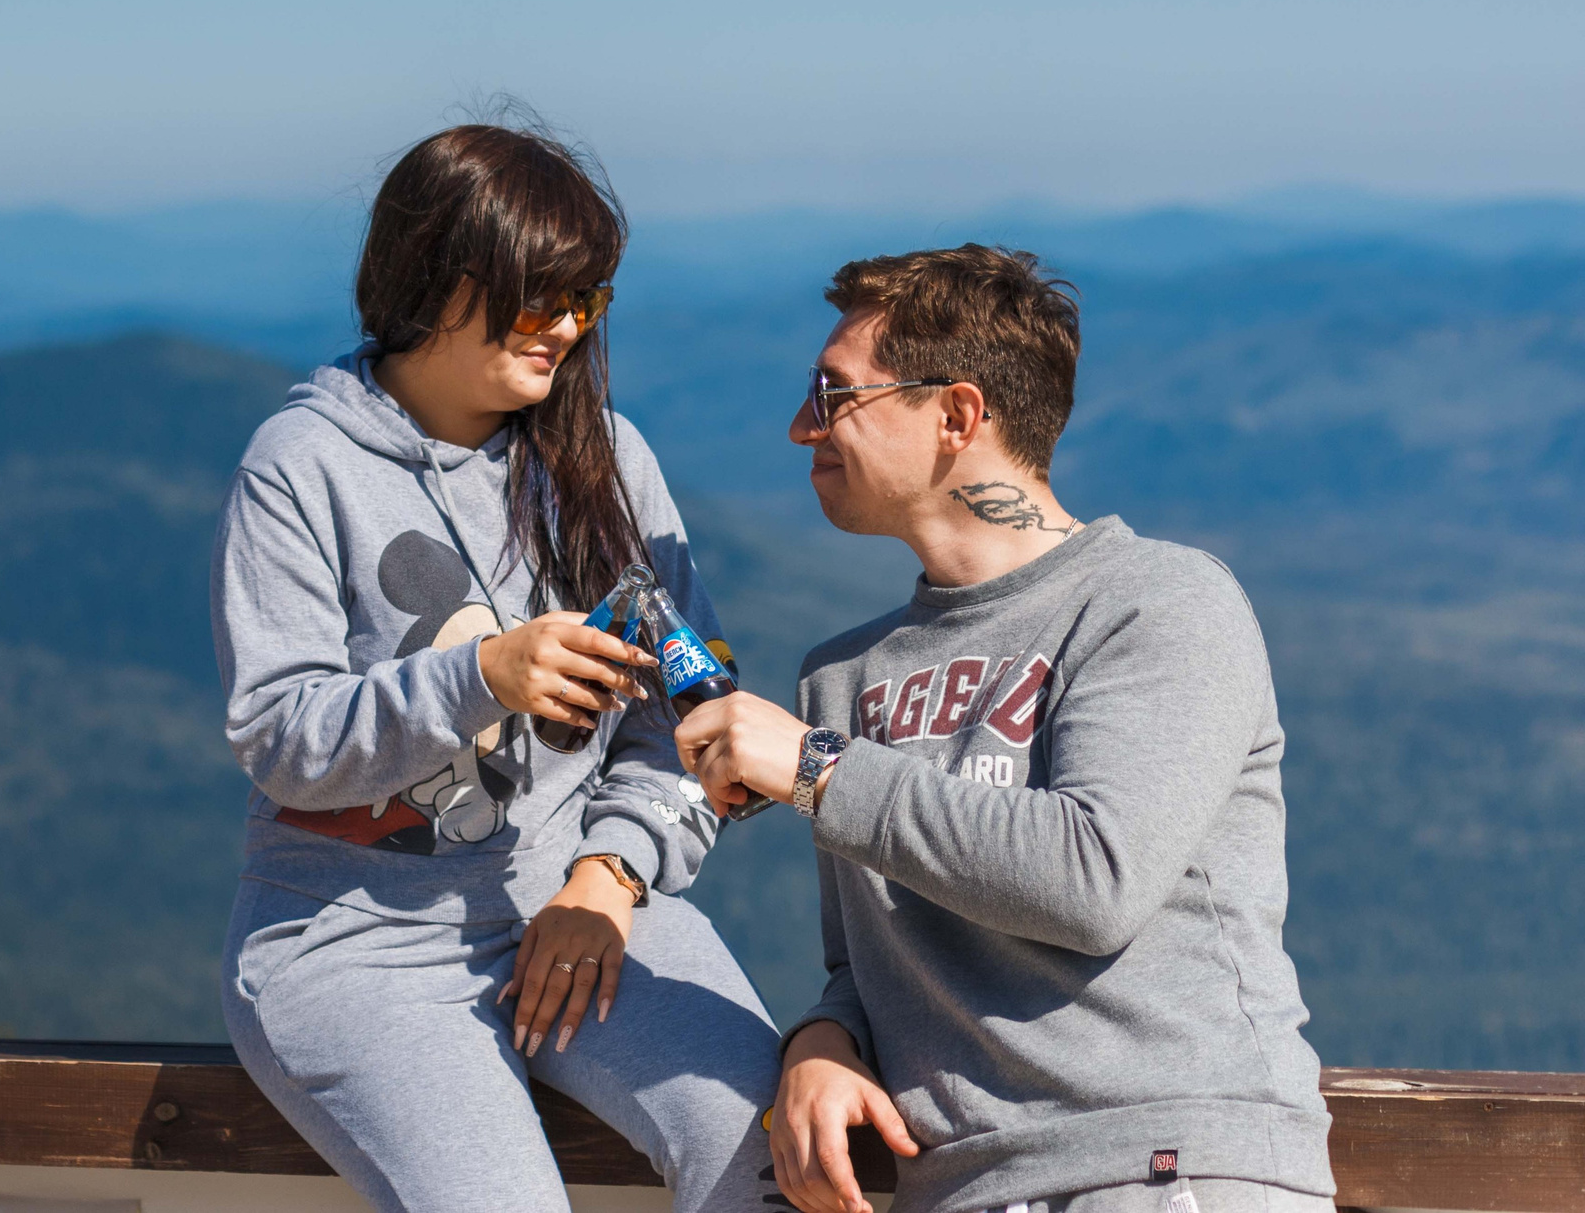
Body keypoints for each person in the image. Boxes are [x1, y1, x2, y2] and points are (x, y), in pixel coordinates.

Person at [677, 243, 1335, 1213]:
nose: (797, 427)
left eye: (832, 394)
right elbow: (876, 961)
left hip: (1164, 1167)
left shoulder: (1158, 604)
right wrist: (824, 1039)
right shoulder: (841, 678)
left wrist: (817, 770)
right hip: (962, 1187)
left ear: (956, 415)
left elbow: (1093, 878)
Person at [212, 122, 782, 1213]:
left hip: (584, 906)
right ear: (435, 276)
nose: (566, 327)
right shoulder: (299, 466)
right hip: (355, 943)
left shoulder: (605, 459)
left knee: (776, 1159)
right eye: (538, 297)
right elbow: (280, 739)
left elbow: (687, 711)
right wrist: (480, 675)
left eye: (589, 299)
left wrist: (610, 873)